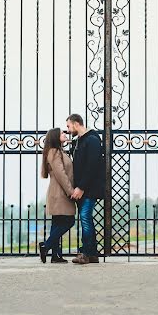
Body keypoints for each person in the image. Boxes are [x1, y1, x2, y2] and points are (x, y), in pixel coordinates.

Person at [66, 113, 105, 265]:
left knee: (85, 218)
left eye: (69, 126)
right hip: (83, 188)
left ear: (76, 124)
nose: (68, 130)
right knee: (86, 219)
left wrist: (81, 187)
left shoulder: (92, 140)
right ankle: (93, 254)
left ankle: (86, 254)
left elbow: (92, 166)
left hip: (89, 189)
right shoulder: (79, 142)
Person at [39, 127, 75, 264]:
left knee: (57, 224)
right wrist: (70, 191)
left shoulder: (58, 151)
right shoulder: (54, 152)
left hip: (59, 192)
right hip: (60, 193)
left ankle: (56, 255)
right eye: (61, 133)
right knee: (69, 221)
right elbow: (61, 174)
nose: (65, 134)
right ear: (55, 137)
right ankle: (46, 246)